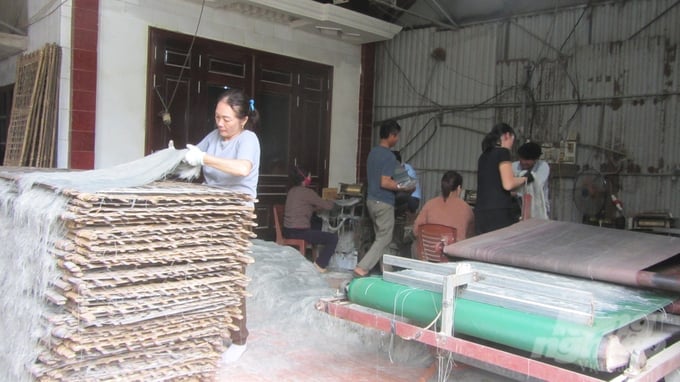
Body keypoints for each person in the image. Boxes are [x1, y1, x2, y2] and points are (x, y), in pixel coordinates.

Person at [184, 88, 260, 364]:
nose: (220, 124)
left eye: (226, 119)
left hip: (235, 218)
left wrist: (204, 159)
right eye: (217, 117)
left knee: (231, 278)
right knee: (206, 274)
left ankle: (239, 339)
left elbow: (242, 169)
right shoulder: (214, 137)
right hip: (210, 215)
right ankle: (209, 330)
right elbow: (193, 154)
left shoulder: (248, 139)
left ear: (243, 120)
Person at [354, 120, 412, 277]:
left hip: (371, 201)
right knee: (385, 238)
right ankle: (362, 267)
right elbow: (385, 181)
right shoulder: (388, 156)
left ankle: (387, 272)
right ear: (392, 135)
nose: (397, 139)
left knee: (381, 238)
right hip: (383, 202)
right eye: (397, 136)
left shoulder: (373, 153)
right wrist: (403, 187)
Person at [474, 122, 533, 235]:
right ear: (507, 135)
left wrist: (512, 194)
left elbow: (493, 186)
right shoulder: (503, 152)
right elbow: (508, 184)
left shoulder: (483, 156)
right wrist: (525, 179)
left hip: (481, 213)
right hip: (498, 213)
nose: (511, 144)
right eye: (512, 140)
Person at [283, 165, 339, 273]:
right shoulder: (307, 192)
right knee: (333, 238)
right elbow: (328, 206)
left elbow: (303, 208)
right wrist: (334, 200)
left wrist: (315, 207)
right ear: (305, 178)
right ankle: (319, 265)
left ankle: (315, 258)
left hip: (287, 230)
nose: (310, 178)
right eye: (309, 176)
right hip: (299, 232)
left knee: (316, 222)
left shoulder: (291, 191)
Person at [413, 170, 475, 244]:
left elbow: (416, 231)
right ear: (458, 188)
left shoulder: (429, 204)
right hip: (453, 254)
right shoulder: (467, 209)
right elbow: (471, 237)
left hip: (429, 252)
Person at [512, 141, 550, 219]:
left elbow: (534, 182)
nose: (524, 162)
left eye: (528, 160)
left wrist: (516, 189)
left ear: (536, 160)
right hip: (517, 209)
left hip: (537, 209)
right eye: (522, 159)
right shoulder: (513, 166)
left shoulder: (543, 166)